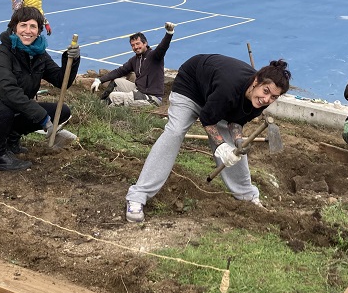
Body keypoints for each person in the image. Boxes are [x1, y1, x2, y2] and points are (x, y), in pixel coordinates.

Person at [124, 55, 291, 222]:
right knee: (174, 133)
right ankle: (138, 196)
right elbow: (207, 119)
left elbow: (235, 121)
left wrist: (238, 141)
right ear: (256, 82)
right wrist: (221, 146)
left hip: (215, 97)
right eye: (266, 91)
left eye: (274, 97)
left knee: (235, 148)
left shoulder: (260, 100)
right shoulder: (229, 87)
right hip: (191, 87)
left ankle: (247, 195)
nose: (267, 99)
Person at [0, 6, 81, 171]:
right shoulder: (2, 55)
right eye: (23, 25)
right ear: (14, 28)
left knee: (61, 111)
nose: (28, 31)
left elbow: (61, 81)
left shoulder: (38, 54)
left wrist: (72, 60)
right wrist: (43, 119)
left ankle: (12, 140)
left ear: (39, 30)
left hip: (12, 110)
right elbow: (9, 92)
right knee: (5, 106)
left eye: (33, 26)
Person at [90, 23, 175, 106]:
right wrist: (99, 80)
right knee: (116, 82)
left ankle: (102, 109)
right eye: (133, 45)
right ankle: (100, 102)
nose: (135, 47)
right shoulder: (135, 60)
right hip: (139, 90)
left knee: (114, 97)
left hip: (151, 98)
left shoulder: (154, 56)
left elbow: (162, 47)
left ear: (145, 43)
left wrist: (169, 33)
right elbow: (120, 71)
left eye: (138, 44)